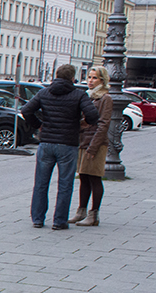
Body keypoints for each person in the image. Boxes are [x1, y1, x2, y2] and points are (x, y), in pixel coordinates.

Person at [21, 64, 99, 230]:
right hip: (68, 144)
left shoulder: (44, 92)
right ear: (73, 78)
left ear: (56, 76)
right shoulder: (79, 94)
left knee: (41, 183)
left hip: (46, 142)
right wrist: (81, 124)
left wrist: (39, 125)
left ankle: (38, 219)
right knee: (65, 184)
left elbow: (26, 110)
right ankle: (59, 221)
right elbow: (93, 116)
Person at [70, 65, 113, 227]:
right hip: (84, 141)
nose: (90, 81)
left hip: (96, 143)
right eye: (89, 77)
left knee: (94, 177)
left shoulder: (105, 98)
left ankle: (93, 214)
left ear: (102, 80)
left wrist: (94, 147)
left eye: (94, 78)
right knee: (84, 177)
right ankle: (80, 212)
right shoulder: (90, 97)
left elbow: (103, 124)